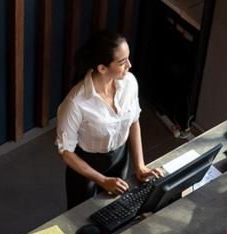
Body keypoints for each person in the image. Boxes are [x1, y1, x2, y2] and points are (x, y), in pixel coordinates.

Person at [55, 30, 162, 210]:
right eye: (122, 62)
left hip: (120, 157)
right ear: (102, 68)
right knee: (80, 218)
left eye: (128, 58)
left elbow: (133, 121)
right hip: (86, 164)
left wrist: (140, 165)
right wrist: (103, 180)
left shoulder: (129, 82)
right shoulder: (75, 103)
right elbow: (66, 152)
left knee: (114, 209)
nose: (129, 64)